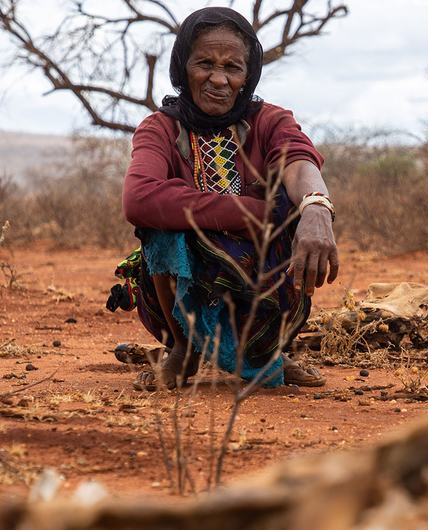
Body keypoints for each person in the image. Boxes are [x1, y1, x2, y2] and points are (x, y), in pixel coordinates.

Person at [115, 7, 338, 391]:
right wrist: (252, 213)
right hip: (181, 287)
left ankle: (267, 350)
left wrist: (316, 206)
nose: (218, 79)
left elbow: (298, 161)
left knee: (295, 214)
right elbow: (139, 198)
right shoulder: (161, 129)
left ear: (247, 77)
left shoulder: (270, 121)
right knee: (158, 229)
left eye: (233, 68)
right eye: (204, 63)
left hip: (261, 284)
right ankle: (183, 350)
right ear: (182, 68)